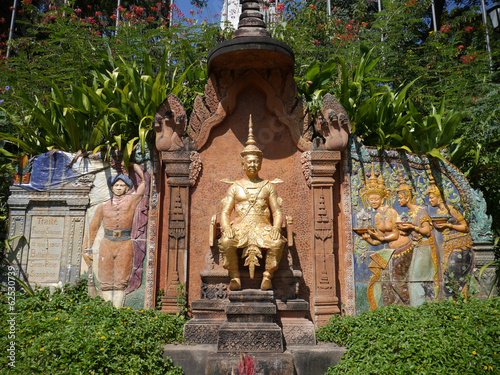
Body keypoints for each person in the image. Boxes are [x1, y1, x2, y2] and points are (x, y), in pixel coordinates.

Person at [218, 116, 286, 291]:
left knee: (277, 243)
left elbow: (277, 212)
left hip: (263, 228)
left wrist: (277, 228)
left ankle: (267, 276)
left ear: (261, 163)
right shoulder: (235, 187)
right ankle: (235, 277)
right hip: (240, 228)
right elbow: (225, 212)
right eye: (249, 161)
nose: (253, 164)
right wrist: (226, 227)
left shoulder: (268, 186)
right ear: (243, 164)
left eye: (256, 161)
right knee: (226, 241)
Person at [83, 163, 145, 307]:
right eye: (116, 185)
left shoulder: (132, 200)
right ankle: (106, 313)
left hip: (125, 244)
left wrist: (134, 166)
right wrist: (87, 248)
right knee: (106, 281)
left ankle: (117, 312)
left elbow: (144, 184)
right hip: (107, 244)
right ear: (111, 188)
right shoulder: (103, 206)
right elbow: (93, 228)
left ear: (127, 188)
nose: (118, 188)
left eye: (122, 186)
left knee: (120, 282)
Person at [360, 165, 413, 310]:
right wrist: (369, 239)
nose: (374, 202)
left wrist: (380, 238)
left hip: (403, 248)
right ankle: (389, 310)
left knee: (396, 280)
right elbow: (379, 239)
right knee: (384, 279)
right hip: (391, 251)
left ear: (383, 199)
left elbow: (395, 234)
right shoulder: (377, 217)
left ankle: (408, 307)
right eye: (371, 199)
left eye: (376, 199)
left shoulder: (392, 212)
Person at [427, 173, 473, 298]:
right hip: (448, 245)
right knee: (447, 274)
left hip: (461, 245)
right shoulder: (438, 212)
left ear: (439, 197)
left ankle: (456, 304)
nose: (430, 200)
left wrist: (449, 226)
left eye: (432, 198)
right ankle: (452, 303)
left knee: (452, 275)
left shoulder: (451, 209)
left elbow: (465, 227)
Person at [395, 171, 437, 305]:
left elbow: (427, 231)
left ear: (407, 197)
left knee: (416, 279)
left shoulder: (420, 211)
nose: (398, 200)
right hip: (416, 248)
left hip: (424, 248)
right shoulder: (408, 214)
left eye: (400, 197)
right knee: (414, 279)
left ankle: (420, 309)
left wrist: (412, 227)